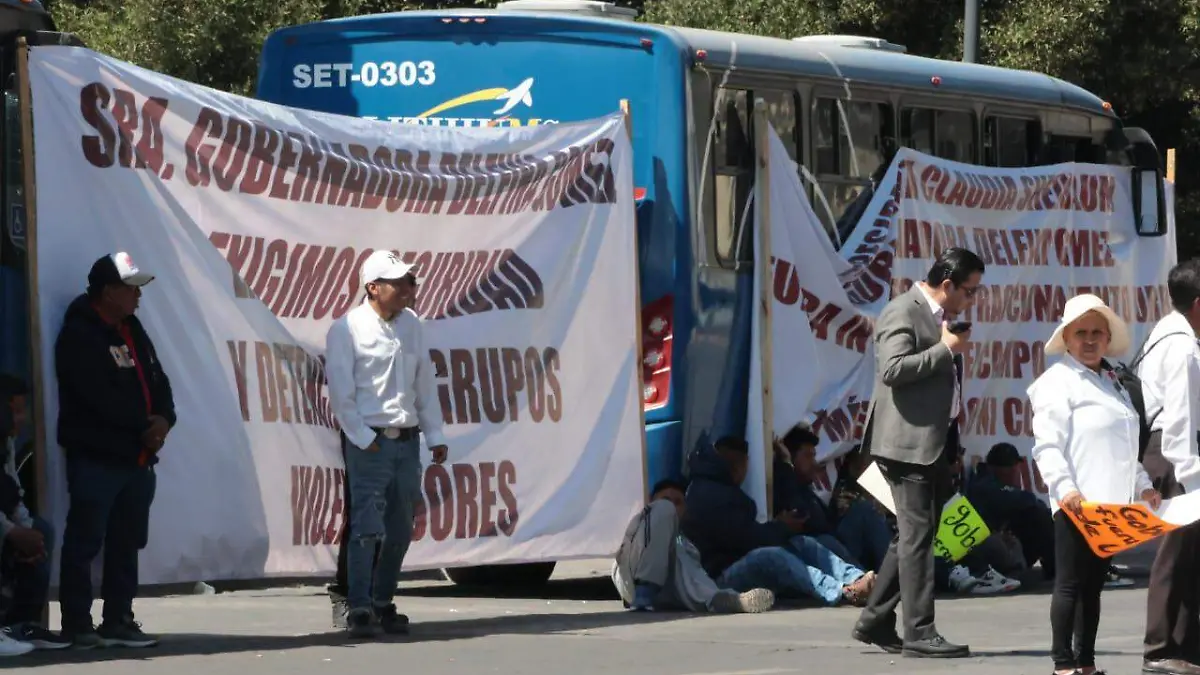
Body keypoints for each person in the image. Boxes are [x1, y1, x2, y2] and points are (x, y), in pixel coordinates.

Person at [851, 247, 983, 659]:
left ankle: (875, 619)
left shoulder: (937, 317)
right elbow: (892, 370)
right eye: (969, 291)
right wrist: (945, 349)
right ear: (947, 284)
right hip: (905, 445)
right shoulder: (902, 311)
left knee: (913, 535)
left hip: (931, 445)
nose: (972, 299)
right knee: (917, 539)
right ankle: (919, 632)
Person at [1028, 293, 1161, 675]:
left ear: (1107, 338)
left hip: (1110, 507)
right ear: (1066, 339)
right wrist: (1065, 488)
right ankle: (1063, 664)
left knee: (1093, 586)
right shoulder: (1056, 383)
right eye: (1081, 333)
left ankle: (1085, 663)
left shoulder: (1114, 382)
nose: (1089, 340)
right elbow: (1047, 446)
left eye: (1096, 333)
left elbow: (1126, 446)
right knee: (1070, 584)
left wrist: (1143, 485)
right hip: (1076, 503)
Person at [325, 250, 448, 639]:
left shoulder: (412, 325)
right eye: (399, 282)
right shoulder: (347, 328)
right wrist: (364, 439)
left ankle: (382, 602)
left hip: (407, 441)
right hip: (370, 442)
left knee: (399, 528)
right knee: (366, 527)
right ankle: (359, 605)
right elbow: (341, 394)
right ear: (373, 287)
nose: (409, 288)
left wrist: (435, 435)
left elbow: (423, 383)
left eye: (410, 281)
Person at [56, 252, 174, 649]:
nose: (138, 295)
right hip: (97, 457)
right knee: (84, 542)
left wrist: (164, 419)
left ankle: (118, 619)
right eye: (131, 288)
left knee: (127, 543)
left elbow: (158, 379)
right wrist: (144, 427)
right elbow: (95, 397)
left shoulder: (133, 328)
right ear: (108, 292)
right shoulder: (79, 334)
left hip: (136, 460)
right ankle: (77, 623)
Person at [682, 436, 876, 608]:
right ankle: (841, 591)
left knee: (802, 542)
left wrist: (781, 527)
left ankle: (858, 578)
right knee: (772, 556)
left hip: (735, 560)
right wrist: (782, 526)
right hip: (719, 579)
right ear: (739, 466)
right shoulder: (710, 494)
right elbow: (747, 540)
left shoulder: (717, 488)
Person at [1136, 260, 1200, 675]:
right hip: (1177, 456)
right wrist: (1193, 481)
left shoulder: (1164, 332)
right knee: (1174, 556)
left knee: (1187, 557)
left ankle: (1185, 647)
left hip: (1168, 453)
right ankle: (1160, 649)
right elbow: (1180, 421)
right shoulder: (1183, 348)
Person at [613, 479, 775, 614]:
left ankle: (722, 600)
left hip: (667, 592)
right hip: (631, 577)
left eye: (678, 503)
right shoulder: (643, 518)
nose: (672, 507)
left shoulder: (683, 542)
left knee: (682, 549)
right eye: (665, 499)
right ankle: (646, 591)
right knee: (665, 515)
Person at [0, 375, 69, 652]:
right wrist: (12, 533)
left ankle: (20, 626)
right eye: (15, 411)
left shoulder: (5, 442)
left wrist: (28, 531)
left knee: (42, 531)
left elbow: (11, 491)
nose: (22, 419)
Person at [966, 442, 1055, 580]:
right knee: (1038, 515)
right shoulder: (985, 485)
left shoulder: (988, 483)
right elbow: (1025, 500)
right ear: (994, 468)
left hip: (991, 543)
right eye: (1010, 467)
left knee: (1039, 514)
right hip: (980, 548)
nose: (1015, 471)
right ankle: (1054, 568)